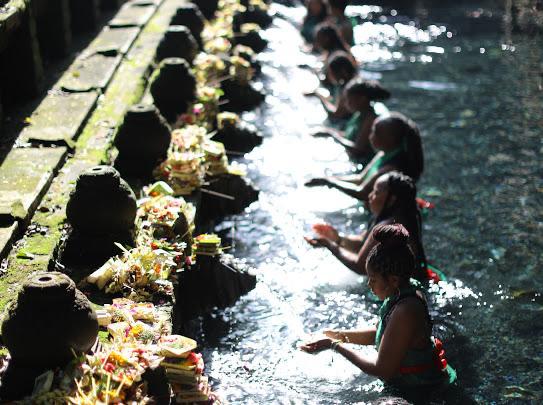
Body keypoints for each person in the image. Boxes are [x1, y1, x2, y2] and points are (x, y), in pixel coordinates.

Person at [301, 224, 457, 389]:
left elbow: (382, 370)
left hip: (422, 388)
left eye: (373, 279)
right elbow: (382, 334)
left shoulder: (405, 310)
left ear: (393, 280)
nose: (369, 284)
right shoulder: (403, 291)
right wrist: (338, 335)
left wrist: (333, 346)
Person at [305, 171, 427, 280]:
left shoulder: (389, 227)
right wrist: (338, 239)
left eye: (376, 192)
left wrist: (329, 245)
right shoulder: (404, 217)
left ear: (391, 200)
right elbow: (362, 244)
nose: (370, 196)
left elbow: (360, 266)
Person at [306, 112, 424, 201]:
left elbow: (362, 193)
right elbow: (360, 179)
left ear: (391, 139)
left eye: (376, 133)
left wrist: (330, 182)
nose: (370, 136)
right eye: (372, 131)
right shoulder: (384, 152)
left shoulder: (391, 168)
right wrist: (329, 179)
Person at [311, 78, 390, 157]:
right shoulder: (359, 113)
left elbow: (357, 151)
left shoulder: (370, 119)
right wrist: (328, 132)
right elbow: (349, 135)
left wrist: (332, 135)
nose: (346, 104)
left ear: (362, 99)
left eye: (349, 100)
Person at [305, 51, 358, 120]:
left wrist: (318, 96)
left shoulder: (348, 89)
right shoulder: (348, 82)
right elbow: (335, 102)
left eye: (331, 72)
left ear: (342, 71)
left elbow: (336, 114)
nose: (330, 76)